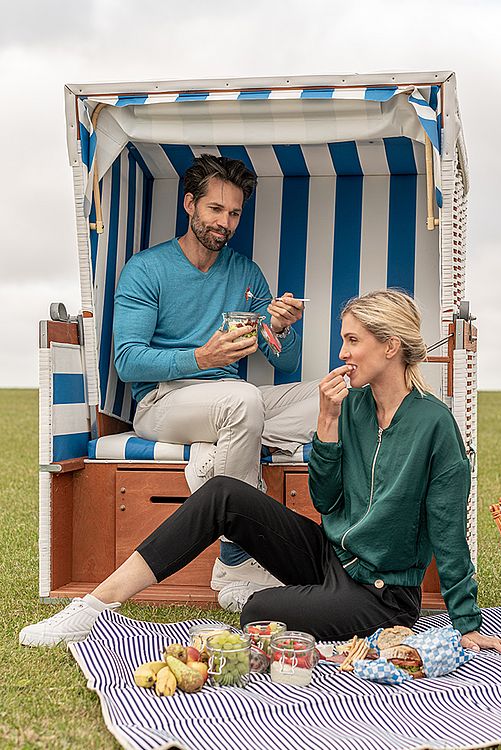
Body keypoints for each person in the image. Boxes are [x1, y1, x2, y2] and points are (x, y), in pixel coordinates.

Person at [20, 289, 501, 653]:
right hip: (332, 557)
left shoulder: (435, 426)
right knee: (223, 494)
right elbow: (327, 503)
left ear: (390, 346)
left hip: (382, 597)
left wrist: (468, 623)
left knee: (259, 611)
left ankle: (318, 616)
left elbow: (449, 532)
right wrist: (325, 423)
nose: (342, 354)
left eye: (352, 341)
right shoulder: (354, 407)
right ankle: (92, 609)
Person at [112, 154, 319, 608]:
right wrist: (201, 358)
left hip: (232, 403)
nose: (225, 222)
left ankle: (221, 455)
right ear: (190, 205)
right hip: (164, 404)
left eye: (235, 213)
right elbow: (127, 362)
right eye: (215, 210)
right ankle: (235, 553)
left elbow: (284, 364)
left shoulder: (246, 274)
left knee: (332, 395)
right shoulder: (146, 269)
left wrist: (281, 328)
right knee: (242, 401)